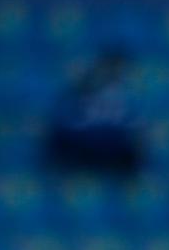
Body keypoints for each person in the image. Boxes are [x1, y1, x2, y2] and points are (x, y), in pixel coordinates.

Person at [44, 48, 143, 177]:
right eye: (109, 68)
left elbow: (135, 129)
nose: (112, 73)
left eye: (117, 69)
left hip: (114, 150)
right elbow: (64, 123)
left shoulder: (128, 96)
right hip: (83, 148)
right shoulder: (78, 93)